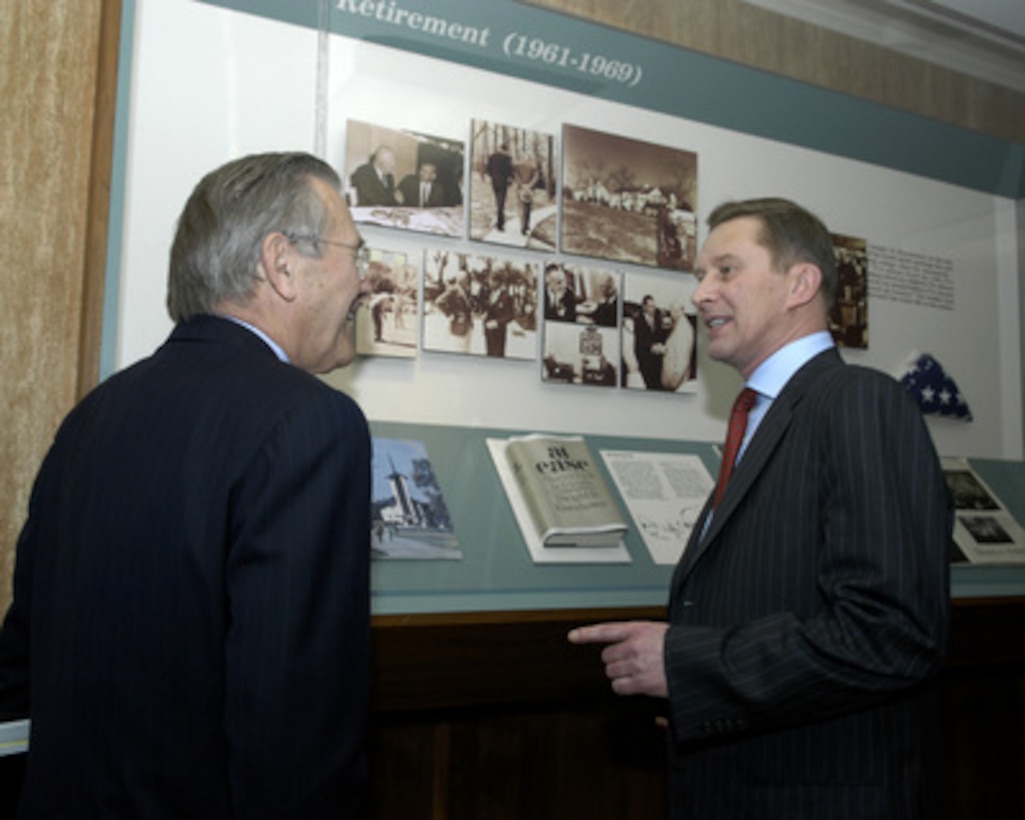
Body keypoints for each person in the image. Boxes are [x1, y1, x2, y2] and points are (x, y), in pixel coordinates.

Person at [0, 152, 375, 818]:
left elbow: (23, 670)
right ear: (281, 263)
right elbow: (293, 737)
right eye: (357, 251)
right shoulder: (310, 421)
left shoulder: (95, 413)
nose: (366, 281)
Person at [569, 197, 951, 819]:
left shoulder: (859, 403)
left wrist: (688, 665)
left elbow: (893, 632)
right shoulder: (761, 417)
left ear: (801, 283)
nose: (699, 294)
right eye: (700, 275)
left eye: (725, 270)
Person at [633, 294, 669, 389]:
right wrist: (652, 347)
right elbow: (640, 340)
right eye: (650, 306)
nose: (653, 309)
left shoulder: (658, 317)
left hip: (657, 358)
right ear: (644, 307)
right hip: (645, 356)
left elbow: (661, 334)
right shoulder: (638, 320)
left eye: (654, 306)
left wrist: (661, 344)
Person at [485, 143, 514, 231]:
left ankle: (499, 221)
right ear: (505, 150)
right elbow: (510, 171)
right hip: (503, 183)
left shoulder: (492, 157)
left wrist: (491, 176)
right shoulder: (508, 159)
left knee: (498, 202)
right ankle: (500, 224)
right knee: (501, 204)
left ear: (499, 148)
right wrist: (510, 179)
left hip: (494, 182)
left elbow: (488, 169)